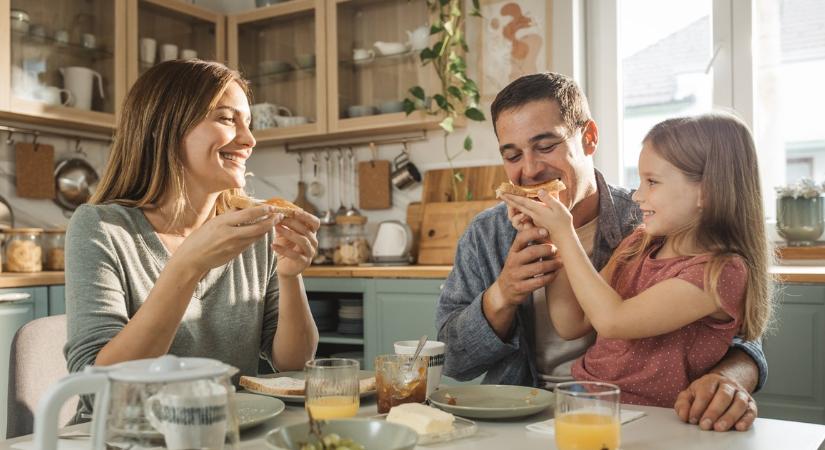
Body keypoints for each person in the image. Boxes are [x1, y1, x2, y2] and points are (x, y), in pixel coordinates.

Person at [436, 72, 768, 432]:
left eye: (546, 146)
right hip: (525, 412)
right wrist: (501, 295)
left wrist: (729, 378)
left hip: (645, 417)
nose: (529, 170)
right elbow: (453, 362)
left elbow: (741, 335)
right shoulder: (487, 234)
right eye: (513, 155)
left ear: (590, 137)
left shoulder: (650, 222)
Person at [64, 60, 320, 421]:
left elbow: (294, 364)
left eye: (249, 123)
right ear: (163, 128)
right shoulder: (102, 228)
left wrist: (290, 276)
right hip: (124, 439)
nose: (249, 140)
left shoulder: (254, 227)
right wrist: (188, 265)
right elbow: (99, 392)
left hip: (225, 434)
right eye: (227, 119)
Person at [501, 112, 773, 408]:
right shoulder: (639, 244)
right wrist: (549, 238)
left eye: (652, 182)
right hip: (584, 400)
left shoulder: (719, 273)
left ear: (706, 191)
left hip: (653, 418)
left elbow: (612, 321)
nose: (636, 195)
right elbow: (571, 322)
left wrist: (563, 231)